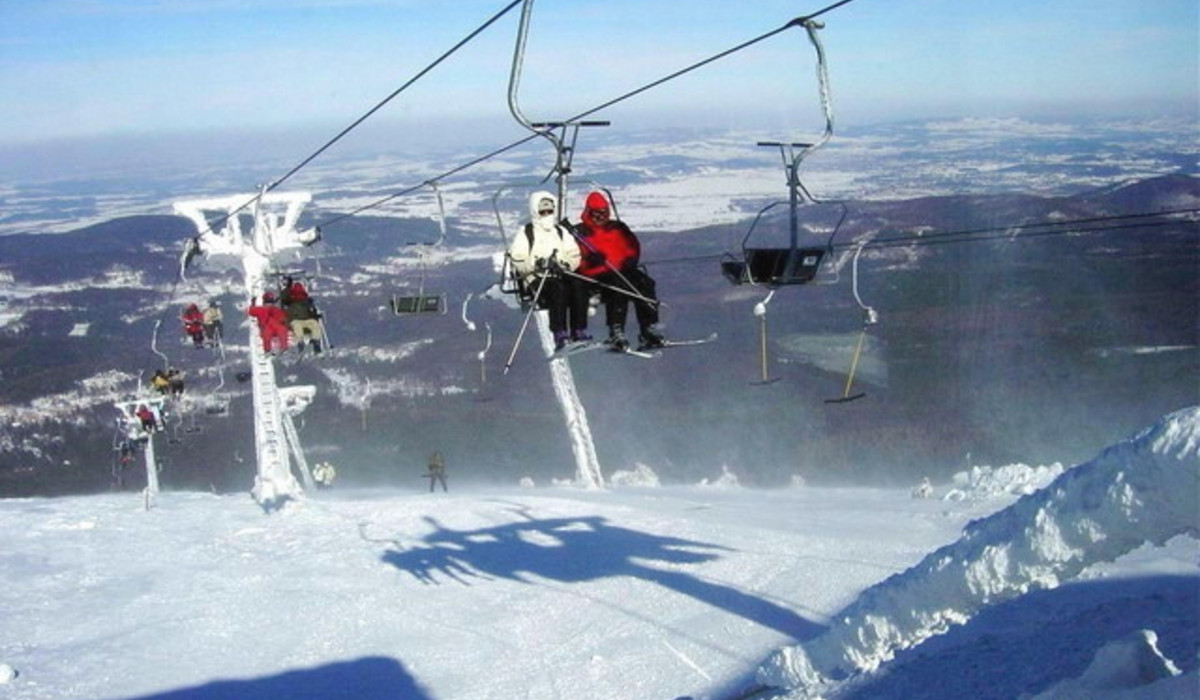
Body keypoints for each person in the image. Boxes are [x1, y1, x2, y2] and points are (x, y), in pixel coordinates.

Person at [573, 191, 665, 351]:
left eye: (603, 214)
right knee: (618, 286)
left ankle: (648, 328)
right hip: (597, 275)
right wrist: (590, 261)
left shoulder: (617, 228)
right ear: (588, 212)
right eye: (595, 214)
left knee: (645, 283)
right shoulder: (580, 232)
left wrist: (630, 260)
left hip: (623, 268)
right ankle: (616, 331)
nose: (600, 218)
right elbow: (573, 257)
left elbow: (632, 246)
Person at [507, 191, 589, 350]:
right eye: (542, 211)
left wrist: (565, 265)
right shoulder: (527, 233)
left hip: (561, 273)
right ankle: (560, 333)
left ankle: (579, 330)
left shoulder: (560, 232)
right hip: (538, 279)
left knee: (579, 284)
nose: (547, 215)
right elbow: (517, 257)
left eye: (549, 211)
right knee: (558, 289)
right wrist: (537, 264)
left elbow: (574, 254)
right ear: (535, 211)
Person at [280, 278, 323, 356]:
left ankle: (316, 342)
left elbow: (311, 312)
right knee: (298, 326)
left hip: (305, 319)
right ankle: (301, 342)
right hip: (296, 319)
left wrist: (315, 314)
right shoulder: (290, 301)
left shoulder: (306, 302)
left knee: (314, 324)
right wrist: (288, 288)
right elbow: (283, 298)